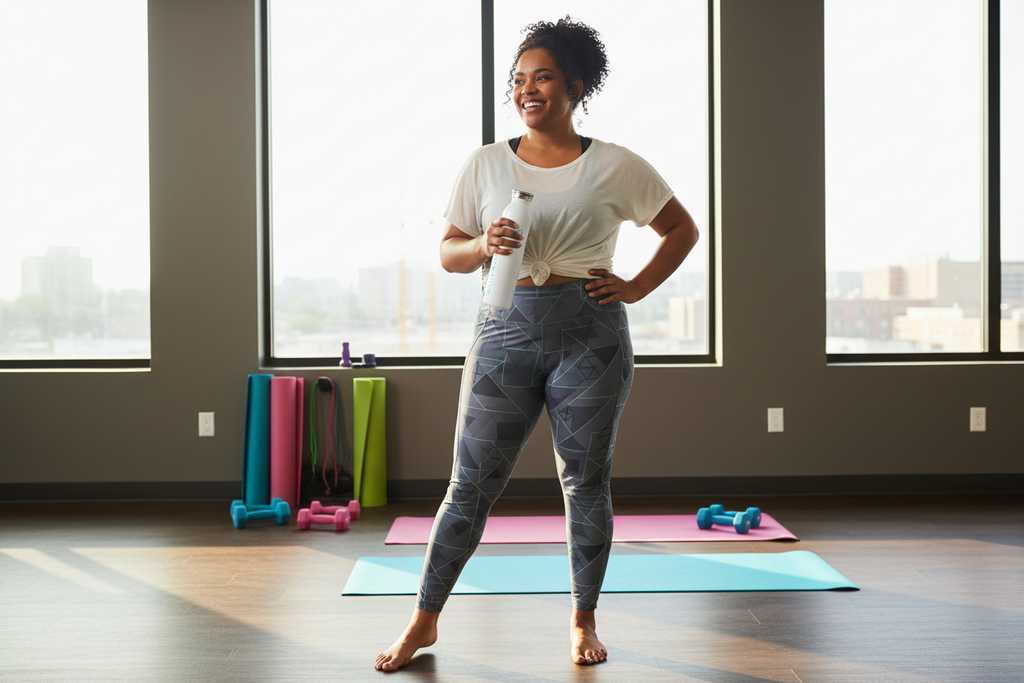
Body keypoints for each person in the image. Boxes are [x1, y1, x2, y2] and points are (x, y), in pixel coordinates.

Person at [375, 16, 699, 671]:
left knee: (586, 482)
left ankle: (582, 621)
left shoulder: (614, 164)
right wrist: (479, 245)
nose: (528, 89)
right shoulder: (487, 163)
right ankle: (422, 620)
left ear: (576, 84)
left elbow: (680, 229)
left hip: (591, 338)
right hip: (505, 331)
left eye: (543, 76)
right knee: (468, 484)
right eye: (519, 80)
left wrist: (633, 288)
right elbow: (448, 253)